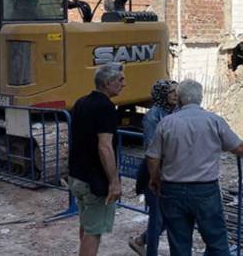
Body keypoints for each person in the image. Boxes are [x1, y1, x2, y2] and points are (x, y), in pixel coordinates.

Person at [146, 80, 243, 256]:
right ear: (200, 98)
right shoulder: (214, 121)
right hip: (205, 190)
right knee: (217, 243)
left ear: (180, 99)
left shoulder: (167, 123)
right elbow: (239, 148)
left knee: (179, 244)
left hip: (172, 190)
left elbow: (152, 156)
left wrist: (155, 179)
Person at [68, 62, 126, 256]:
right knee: (94, 232)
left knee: (86, 225)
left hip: (78, 176)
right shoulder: (105, 107)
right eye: (120, 80)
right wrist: (114, 181)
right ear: (108, 83)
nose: (124, 84)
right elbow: (104, 147)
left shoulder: (81, 102)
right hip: (95, 181)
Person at [129, 79, 179, 256]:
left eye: (176, 91)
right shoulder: (153, 116)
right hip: (156, 170)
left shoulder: (179, 111)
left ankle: (141, 241)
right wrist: (155, 175)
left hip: (174, 171)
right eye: (171, 91)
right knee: (157, 217)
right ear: (162, 94)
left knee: (170, 215)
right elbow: (151, 148)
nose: (175, 94)